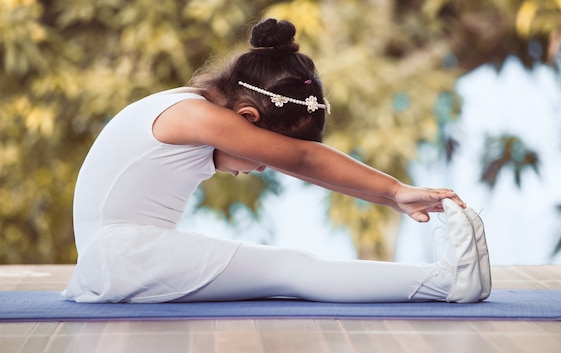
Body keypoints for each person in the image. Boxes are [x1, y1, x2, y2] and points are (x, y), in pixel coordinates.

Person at [62, 18, 491, 304]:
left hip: (122, 257)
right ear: (247, 119)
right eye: (261, 152)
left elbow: (298, 161)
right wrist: (396, 191)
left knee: (294, 265)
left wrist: (394, 200)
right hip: (124, 259)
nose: (264, 165)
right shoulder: (196, 115)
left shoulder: (191, 108)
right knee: (293, 268)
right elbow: (303, 158)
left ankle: (448, 281)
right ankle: (446, 283)